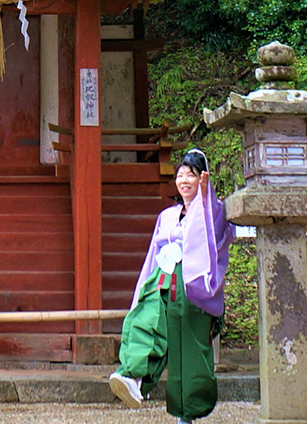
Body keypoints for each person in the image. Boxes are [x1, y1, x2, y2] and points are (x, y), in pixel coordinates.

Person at [107, 148, 236, 424]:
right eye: (180, 175)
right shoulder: (167, 215)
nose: (184, 180)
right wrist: (144, 284)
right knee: (145, 320)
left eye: (191, 174)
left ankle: (185, 415)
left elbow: (216, 237)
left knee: (187, 349)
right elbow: (153, 253)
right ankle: (132, 375)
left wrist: (206, 194)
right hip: (163, 276)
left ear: (203, 178)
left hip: (193, 285)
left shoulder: (213, 210)